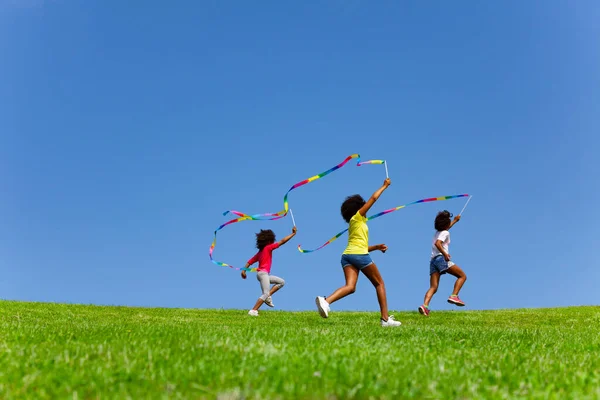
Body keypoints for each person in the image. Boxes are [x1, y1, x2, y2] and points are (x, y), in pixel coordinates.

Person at [315, 178, 401, 327]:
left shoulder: (354, 224)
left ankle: (326, 301)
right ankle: (385, 319)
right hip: (358, 255)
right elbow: (373, 198)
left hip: (348, 256)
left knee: (350, 287)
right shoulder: (358, 217)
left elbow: (360, 246)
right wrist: (384, 186)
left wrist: (376, 247)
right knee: (379, 283)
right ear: (359, 208)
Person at [418, 210, 467, 317]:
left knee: (433, 287)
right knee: (462, 276)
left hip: (433, 261)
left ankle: (424, 306)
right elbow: (438, 243)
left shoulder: (438, 233)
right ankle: (454, 296)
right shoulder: (445, 233)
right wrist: (445, 254)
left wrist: (454, 221)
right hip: (441, 259)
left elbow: (444, 232)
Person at [242, 226, 297, 316]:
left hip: (264, 274)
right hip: (263, 274)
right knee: (265, 293)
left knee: (281, 282)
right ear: (268, 240)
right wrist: (293, 234)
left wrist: (244, 271)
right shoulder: (268, 248)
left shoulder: (260, 252)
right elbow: (282, 241)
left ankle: (268, 297)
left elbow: (250, 261)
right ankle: (253, 310)